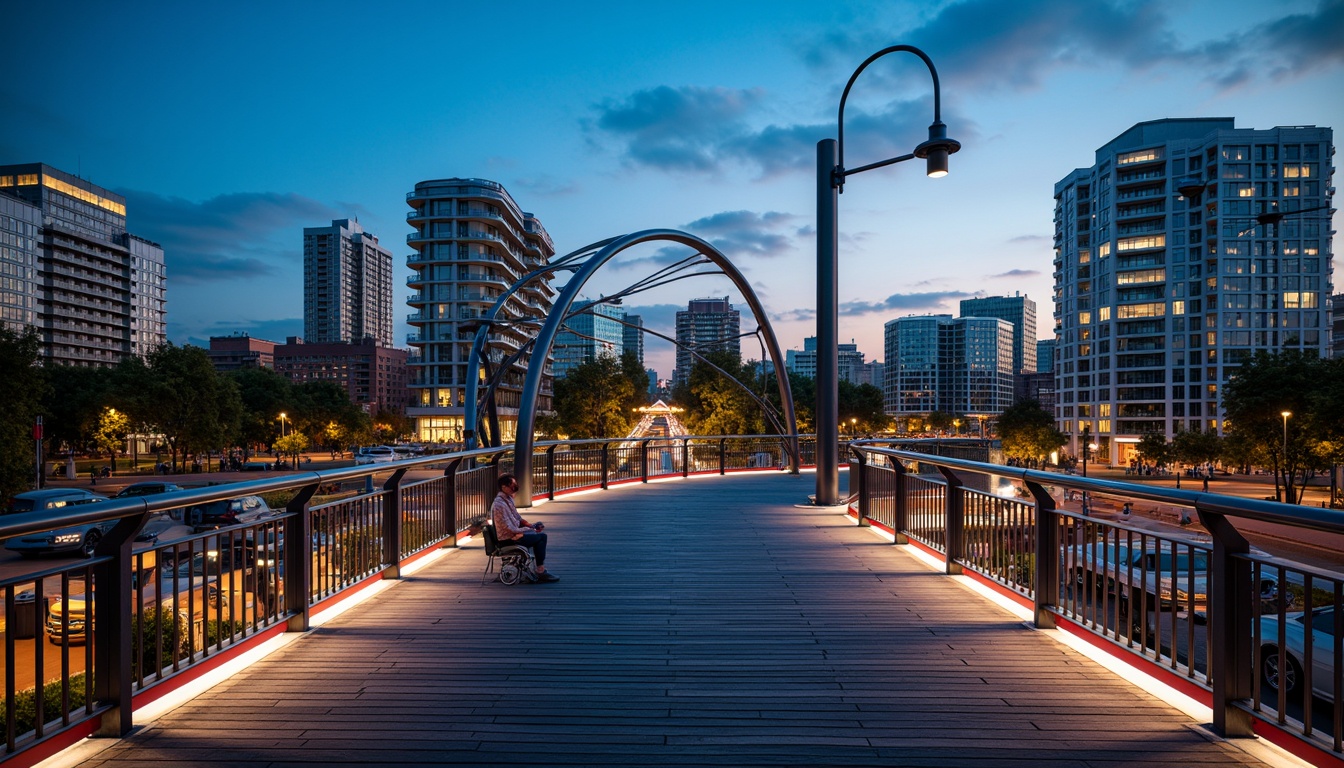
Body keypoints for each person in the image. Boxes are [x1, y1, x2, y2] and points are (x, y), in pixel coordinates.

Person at [491, 473, 559, 582]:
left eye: (515, 484)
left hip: (514, 535)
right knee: (542, 537)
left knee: (538, 535)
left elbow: (517, 518)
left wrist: (530, 525)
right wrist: (530, 529)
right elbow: (510, 528)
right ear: (504, 487)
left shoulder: (507, 499)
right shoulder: (500, 504)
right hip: (509, 539)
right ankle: (540, 571)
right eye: (512, 486)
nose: (515, 488)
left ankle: (539, 569)